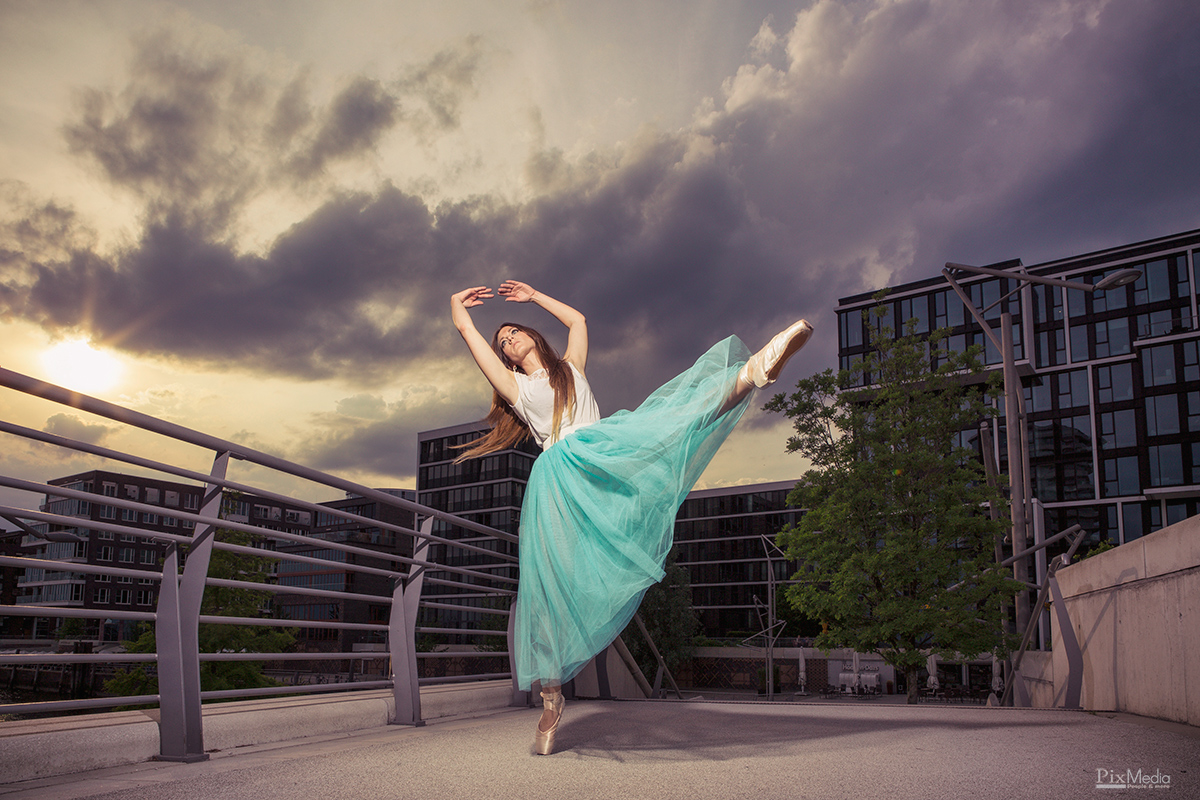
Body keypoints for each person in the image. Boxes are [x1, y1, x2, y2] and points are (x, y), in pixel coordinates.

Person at [450, 280, 812, 755]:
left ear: (534, 338)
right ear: (509, 362)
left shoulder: (571, 368)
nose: (508, 341)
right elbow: (468, 334)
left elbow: (578, 321)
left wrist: (534, 296)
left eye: (514, 334)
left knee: (667, 424)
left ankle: (752, 371)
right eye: (503, 345)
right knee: (552, 588)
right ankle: (551, 697)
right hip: (560, 480)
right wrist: (459, 308)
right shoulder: (515, 386)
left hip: (601, 452)